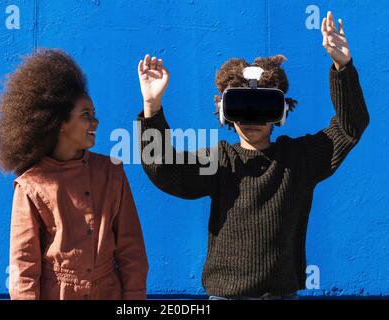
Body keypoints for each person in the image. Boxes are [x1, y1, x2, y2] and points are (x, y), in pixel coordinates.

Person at [136, 11, 369, 299]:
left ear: (280, 111)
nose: (251, 117)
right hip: (225, 296)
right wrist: (152, 107)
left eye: (262, 106)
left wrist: (342, 65)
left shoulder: (299, 159)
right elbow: (164, 171)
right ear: (225, 112)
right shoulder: (220, 160)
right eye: (242, 106)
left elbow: (351, 126)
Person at [0, 49, 148, 300]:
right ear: (59, 122)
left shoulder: (111, 172)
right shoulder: (30, 185)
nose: (95, 122)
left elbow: (132, 252)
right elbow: (24, 269)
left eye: (94, 114)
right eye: (86, 115)